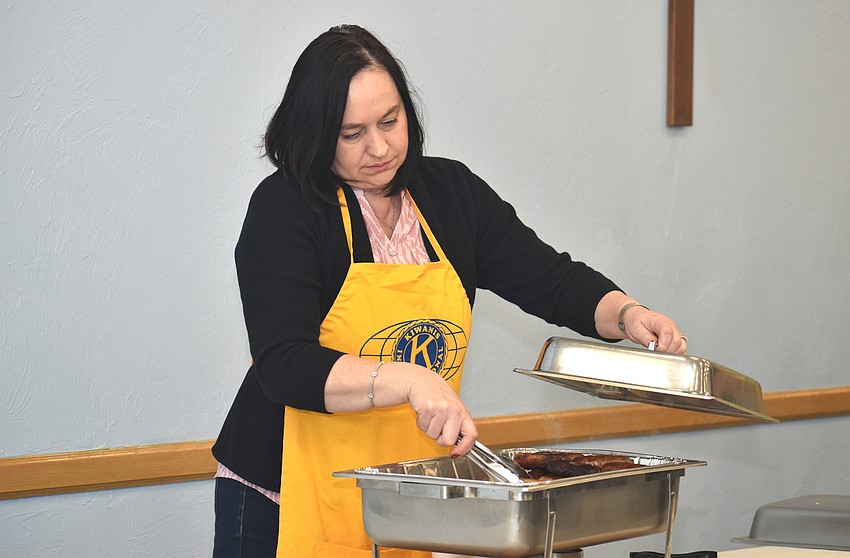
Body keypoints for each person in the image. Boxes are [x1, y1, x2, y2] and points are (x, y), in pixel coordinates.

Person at [211, 24, 688, 558]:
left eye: (390, 122)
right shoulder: (286, 208)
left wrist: (625, 313)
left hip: (402, 497)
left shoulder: (451, 194)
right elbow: (284, 364)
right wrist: (411, 380)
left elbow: (548, 278)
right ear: (315, 133)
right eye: (351, 134)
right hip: (281, 497)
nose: (380, 147)